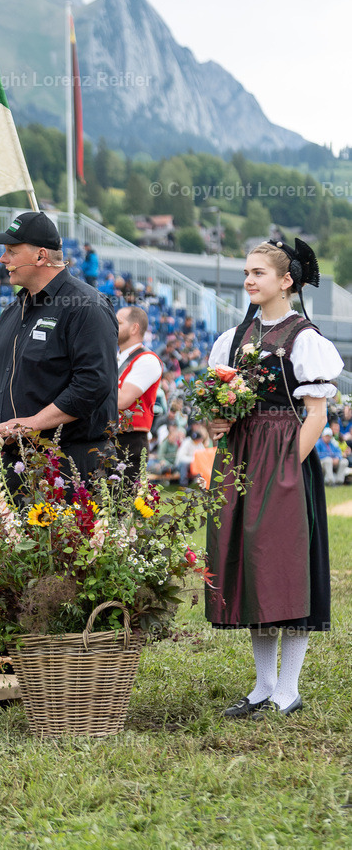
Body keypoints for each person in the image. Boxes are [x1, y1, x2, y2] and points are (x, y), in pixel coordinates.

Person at [207, 239, 343, 719]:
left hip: (283, 459)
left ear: (286, 281)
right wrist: (217, 424)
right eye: (247, 271)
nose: (249, 280)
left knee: (287, 568)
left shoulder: (304, 338)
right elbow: (220, 407)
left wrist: (287, 468)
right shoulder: (233, 338)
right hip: (241, 456)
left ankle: (289, 688)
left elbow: (316, 414)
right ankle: (263, 686)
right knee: (254, 569)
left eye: (259, 273)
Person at [0, 211, 118, 486]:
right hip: (13, 463)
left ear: (40, 256)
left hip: (68, 466)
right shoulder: (13, 310)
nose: (3, 260)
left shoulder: (86, 306)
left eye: (11, 251)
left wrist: (32, 423)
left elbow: (93, 384)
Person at [115, 305, 163, 488]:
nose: (113, 326)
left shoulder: (147, 359)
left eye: (118, 322)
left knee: (123, 505)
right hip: (108, 436)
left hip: (130, 440)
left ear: (134, 328)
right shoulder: (114, 357)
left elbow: (122, 400)